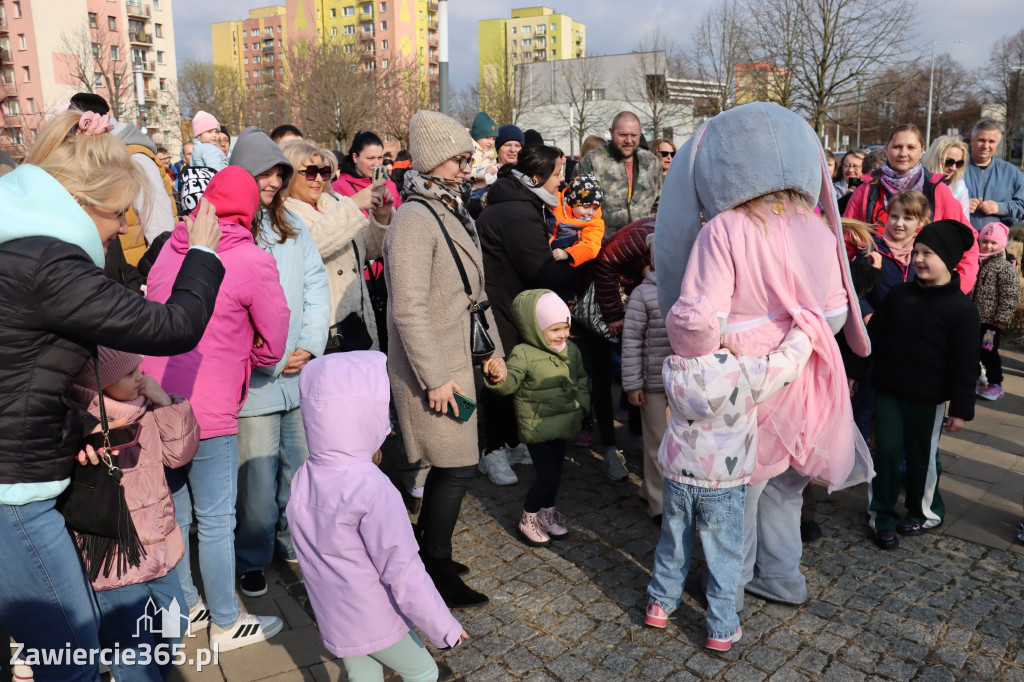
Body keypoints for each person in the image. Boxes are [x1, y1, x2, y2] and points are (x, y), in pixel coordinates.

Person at [0, 109, 224, 682]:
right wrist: (203, 253)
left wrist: (68, 426)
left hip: (23, 473)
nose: (125, 226)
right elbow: (174, 325)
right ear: (81, 200)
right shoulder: (50, 263)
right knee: (71, 655)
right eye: (120, 211)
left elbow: (21, 374)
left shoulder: (17, 248)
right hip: (13, 494)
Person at [655, 102, 872, 611]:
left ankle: (728, 588)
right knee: (786, 489)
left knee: (739, 495)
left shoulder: (724, 229)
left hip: (746, 383)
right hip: (810, 376)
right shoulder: (818, 227)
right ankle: (782, 578)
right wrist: (795, 339)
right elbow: (838, 313)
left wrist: (721, 339)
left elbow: (697, 322)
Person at [142, 166, 290, 652]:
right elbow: (275, 337)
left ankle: (185, 607)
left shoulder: (172, 246)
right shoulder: (250, 258)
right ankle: (226, 622)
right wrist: (250, 360)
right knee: (216, 520)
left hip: (158, 403)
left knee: (175, 516)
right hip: (211, 410)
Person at [384, 110, 506, 608]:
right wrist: (434, 378)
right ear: (434, 162)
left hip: (459, 358)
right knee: (454, 467)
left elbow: (473, 294)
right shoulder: (416, 218)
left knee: (452, 466)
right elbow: (407, 308)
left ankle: (428, 553)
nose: (466, 167)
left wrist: (492, 352)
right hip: (433, 367)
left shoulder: (450, 208)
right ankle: (433, 566)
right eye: (458, 159)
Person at [644, 296, 811, 651]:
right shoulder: (741, 372)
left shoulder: (670, 369)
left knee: (673, 542)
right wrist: (803, 332)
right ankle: (721, 627)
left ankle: (660, 603)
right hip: (722, 482)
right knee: (724, 555)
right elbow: (786, 365)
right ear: (716, 335)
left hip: (677, 477)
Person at [287, 352, 467, 682]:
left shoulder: (304, 475)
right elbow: (402, 570)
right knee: (424, 672)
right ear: (365, 414)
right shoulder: (372, 487)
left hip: (333, 611)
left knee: (363, 675)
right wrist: (444, 627)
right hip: (374, 616)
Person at [229, 126, 331, 597]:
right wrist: (258, 356)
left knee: (301, 470)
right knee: (255, 485)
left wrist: (309, 344)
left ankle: (293, 541)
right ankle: (252, 555)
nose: (271, 182)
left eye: (277, 173)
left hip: (297, 375)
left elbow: (314, 282)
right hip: (255, 383)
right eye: (262, 174)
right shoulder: (228, 228)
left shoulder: (290, 223)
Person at [69, 347, 199, 682]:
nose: (140, 375)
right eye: (129, 374)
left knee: (177, 619)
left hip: (159, 544)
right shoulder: (79, 426)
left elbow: (178, 454)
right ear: (98, 384)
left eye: (138, 368)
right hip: (114, 557)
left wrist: (166, 403)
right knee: (131, 649)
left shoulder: (146, 410)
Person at [866, 219, 979, 549]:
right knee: (885, 451)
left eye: (927, 252)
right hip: (888, 390)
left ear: (948, 258)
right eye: (916, 251)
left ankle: (923, 511)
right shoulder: (900, 294)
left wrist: (961, 409)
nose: (918, 258)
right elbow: (874, 338)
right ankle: (881, 516)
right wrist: (854, 372)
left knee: (922, 456)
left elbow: (965, 365)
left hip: (927, 400)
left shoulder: (962, 310)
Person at [476, 144, 579, 486]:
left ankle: (512, 441)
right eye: (557, 174)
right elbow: (539, 270)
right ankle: (493, 451)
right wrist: (578, 266)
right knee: (501, 376)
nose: (562, 181)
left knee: (516, 373)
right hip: (499, 305)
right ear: (536, 178)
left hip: (511, 301)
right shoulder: (518, 211)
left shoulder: (523, 202)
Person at [485, 290, 589, 546]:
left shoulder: (572, 350)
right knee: (546, 473)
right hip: (537, 425)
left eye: (565, 327)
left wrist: (583, 406)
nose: (562, 335)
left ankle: (547, 514)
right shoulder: (523, 352)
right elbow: (510, 383)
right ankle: (528, 516)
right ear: (535, 328)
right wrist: (497, 379)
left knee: (557, 473)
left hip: (563, 422)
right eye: (555, 330)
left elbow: (581, 379)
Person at [282, 140, 393, 350]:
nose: (318, 179)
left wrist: (382, 217)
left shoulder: (335, 202)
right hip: (322, 329)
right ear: (290, 175)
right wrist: (354, 205)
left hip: (356, 321)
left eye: (324, 172)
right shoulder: (283, 213)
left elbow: (368, 250)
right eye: (310, 172)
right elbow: (311, 246)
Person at [844, 123, 978, 293]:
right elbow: (846, 242)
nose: (903, 153)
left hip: (926, 298)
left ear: (922, 150)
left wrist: (958, 288)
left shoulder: (937, 190)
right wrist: (854, 299)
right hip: (874, 297)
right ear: (886, 149)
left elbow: (968, 242)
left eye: (911, 147)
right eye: (897, 146)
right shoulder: (865, 190)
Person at [585, 217, 656, 480]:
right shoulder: (646, 233)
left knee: (636, 368)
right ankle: (610, 448)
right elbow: (604, 264)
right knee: (603, 375)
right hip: (603, 301)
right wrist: (614, 313)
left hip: (631, 302)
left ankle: (636, 437)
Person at [622, 233, 670, 524]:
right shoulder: (642, 294)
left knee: (675, 443)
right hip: (652, 384)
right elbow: (631, 342)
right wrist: (633, 384)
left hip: (681, 383)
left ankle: (651, 490)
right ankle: (658, 503)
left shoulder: (687, 288)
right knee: (657, 444)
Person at [574, 111, 662, 237]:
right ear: (611, 132)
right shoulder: (591, 161)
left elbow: (660, 204)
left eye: (634, 135)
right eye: (623, 135)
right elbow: (576, 207)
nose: (628, 140)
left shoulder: (651, 162)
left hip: (643, 245)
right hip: (603, 246)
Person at [113, 119, 178, 260]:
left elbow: (160, 225)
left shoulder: (135, 159)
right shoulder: (112, 158)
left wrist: (155, 269)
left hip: (138, 268)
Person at [972, 223, 1020, 401]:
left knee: (988, 351)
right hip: (973, 319)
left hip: (991, 323)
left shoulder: (1005, 268)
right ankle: (975, 379)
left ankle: (995, 384)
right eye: (984, 241)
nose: (988, 246)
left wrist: (1002, 318)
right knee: (971, 350)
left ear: (1002, 244)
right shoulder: (976, 262)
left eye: (993, 242)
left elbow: (1010, 295)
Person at [964, 118, 1024, 231]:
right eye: (981, 140)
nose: (985, 146)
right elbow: (937, 202)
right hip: (961, 241)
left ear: (998, 143)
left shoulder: (1011, 173)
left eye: (991, 141)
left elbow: (1022, 206)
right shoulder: (957, 168)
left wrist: (1000, 207)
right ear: (972, 140)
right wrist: (961, 204)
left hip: (995, 245)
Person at [332, 130, 403, 217]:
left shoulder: (390, 185)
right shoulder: (338, 188)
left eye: (380, 158)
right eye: (370, 158)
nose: (377, 164)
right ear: (355, 157)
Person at [549, 173, 605, 269]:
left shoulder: (594, 223)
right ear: (573, 202)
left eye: (595, 208)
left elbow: (591, 246)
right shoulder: (556, 203)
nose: (590, 212)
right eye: (586, 207)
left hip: (565, 261)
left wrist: (568, 254)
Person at [923, 135, 971, 219]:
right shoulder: (918, 181)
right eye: (949, 162)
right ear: (935, 159)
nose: (953, 168)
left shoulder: (960, 187)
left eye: (959, 163)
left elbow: (964, 223)